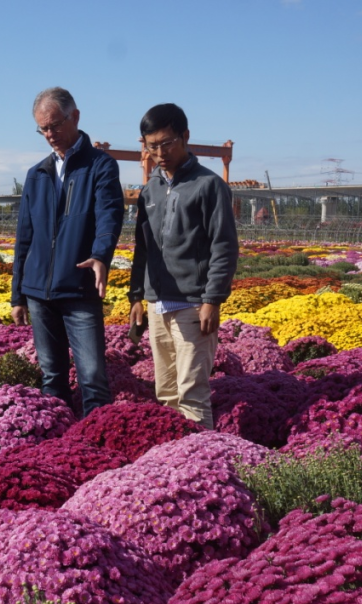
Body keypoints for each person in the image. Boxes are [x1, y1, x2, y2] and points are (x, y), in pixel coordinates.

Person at [11, 87, 125, 417]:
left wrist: (101, 254)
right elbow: (24, 238)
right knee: (52, 378)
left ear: (75, 117)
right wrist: (18, 294)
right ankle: (60, 447)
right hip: (38, 293)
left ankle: (99, 446)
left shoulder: (100, 166)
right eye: (43, 128)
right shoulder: (37, 174)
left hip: (78, 287)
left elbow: (109, 215)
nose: (49, 134)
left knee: (92, 378)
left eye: (55, 125)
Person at [128, 103, 239, 428]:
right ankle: (175, 468)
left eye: (167, 143)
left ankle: (203, 467)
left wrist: (212, 299)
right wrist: (137, 295)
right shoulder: (150, 189)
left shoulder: (209, 186)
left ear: (185, 136)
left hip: (193, 306)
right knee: (166, 394)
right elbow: (143, 248)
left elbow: (224, 246)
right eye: (152, 146)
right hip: (157, 304)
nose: (160, 152)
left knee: (191, 393)